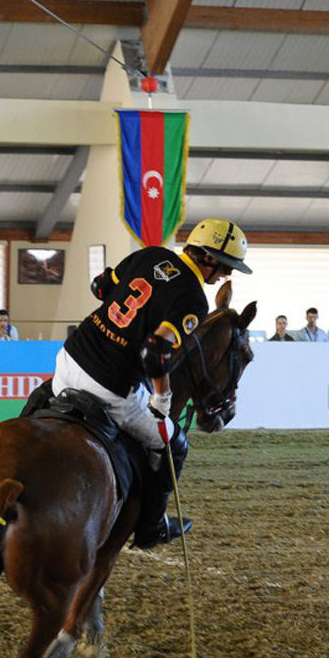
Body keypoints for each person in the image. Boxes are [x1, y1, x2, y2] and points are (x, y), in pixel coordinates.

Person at [53, 217, 252, 549]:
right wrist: (162, 397)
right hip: (111, 387)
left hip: (69, 359)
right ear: (208, 257)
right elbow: (154, 353)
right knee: (174, 443)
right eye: (227, 265)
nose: (227, 274)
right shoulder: (193, 299)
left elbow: (100, 288)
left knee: (46, 399)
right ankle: (152, 527)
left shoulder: (151, 254)